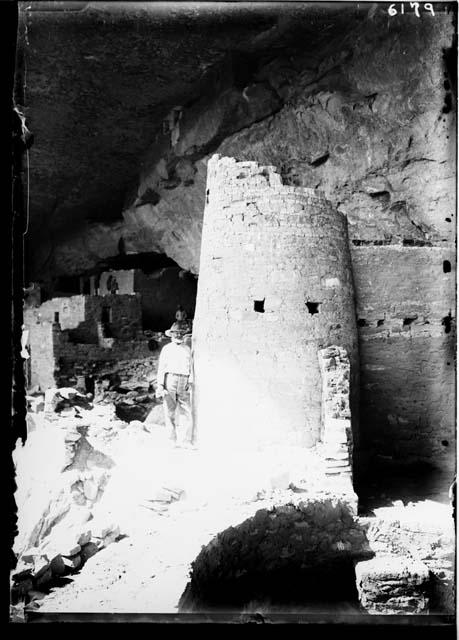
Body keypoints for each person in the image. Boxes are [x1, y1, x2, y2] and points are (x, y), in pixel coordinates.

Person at [156, 321, 194, 448]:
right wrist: (160, 385)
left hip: (183, 381)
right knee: (169, 411)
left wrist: (190, 380)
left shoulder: (187, 349)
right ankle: (171, 440)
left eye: (180, 333)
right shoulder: (167, 349)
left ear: (183, 335)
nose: (178, 335)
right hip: (170, 380)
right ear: (171, 334)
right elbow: (162, 368)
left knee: (187, 412)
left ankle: (186, 441)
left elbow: (191, 367)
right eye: (175, 333)